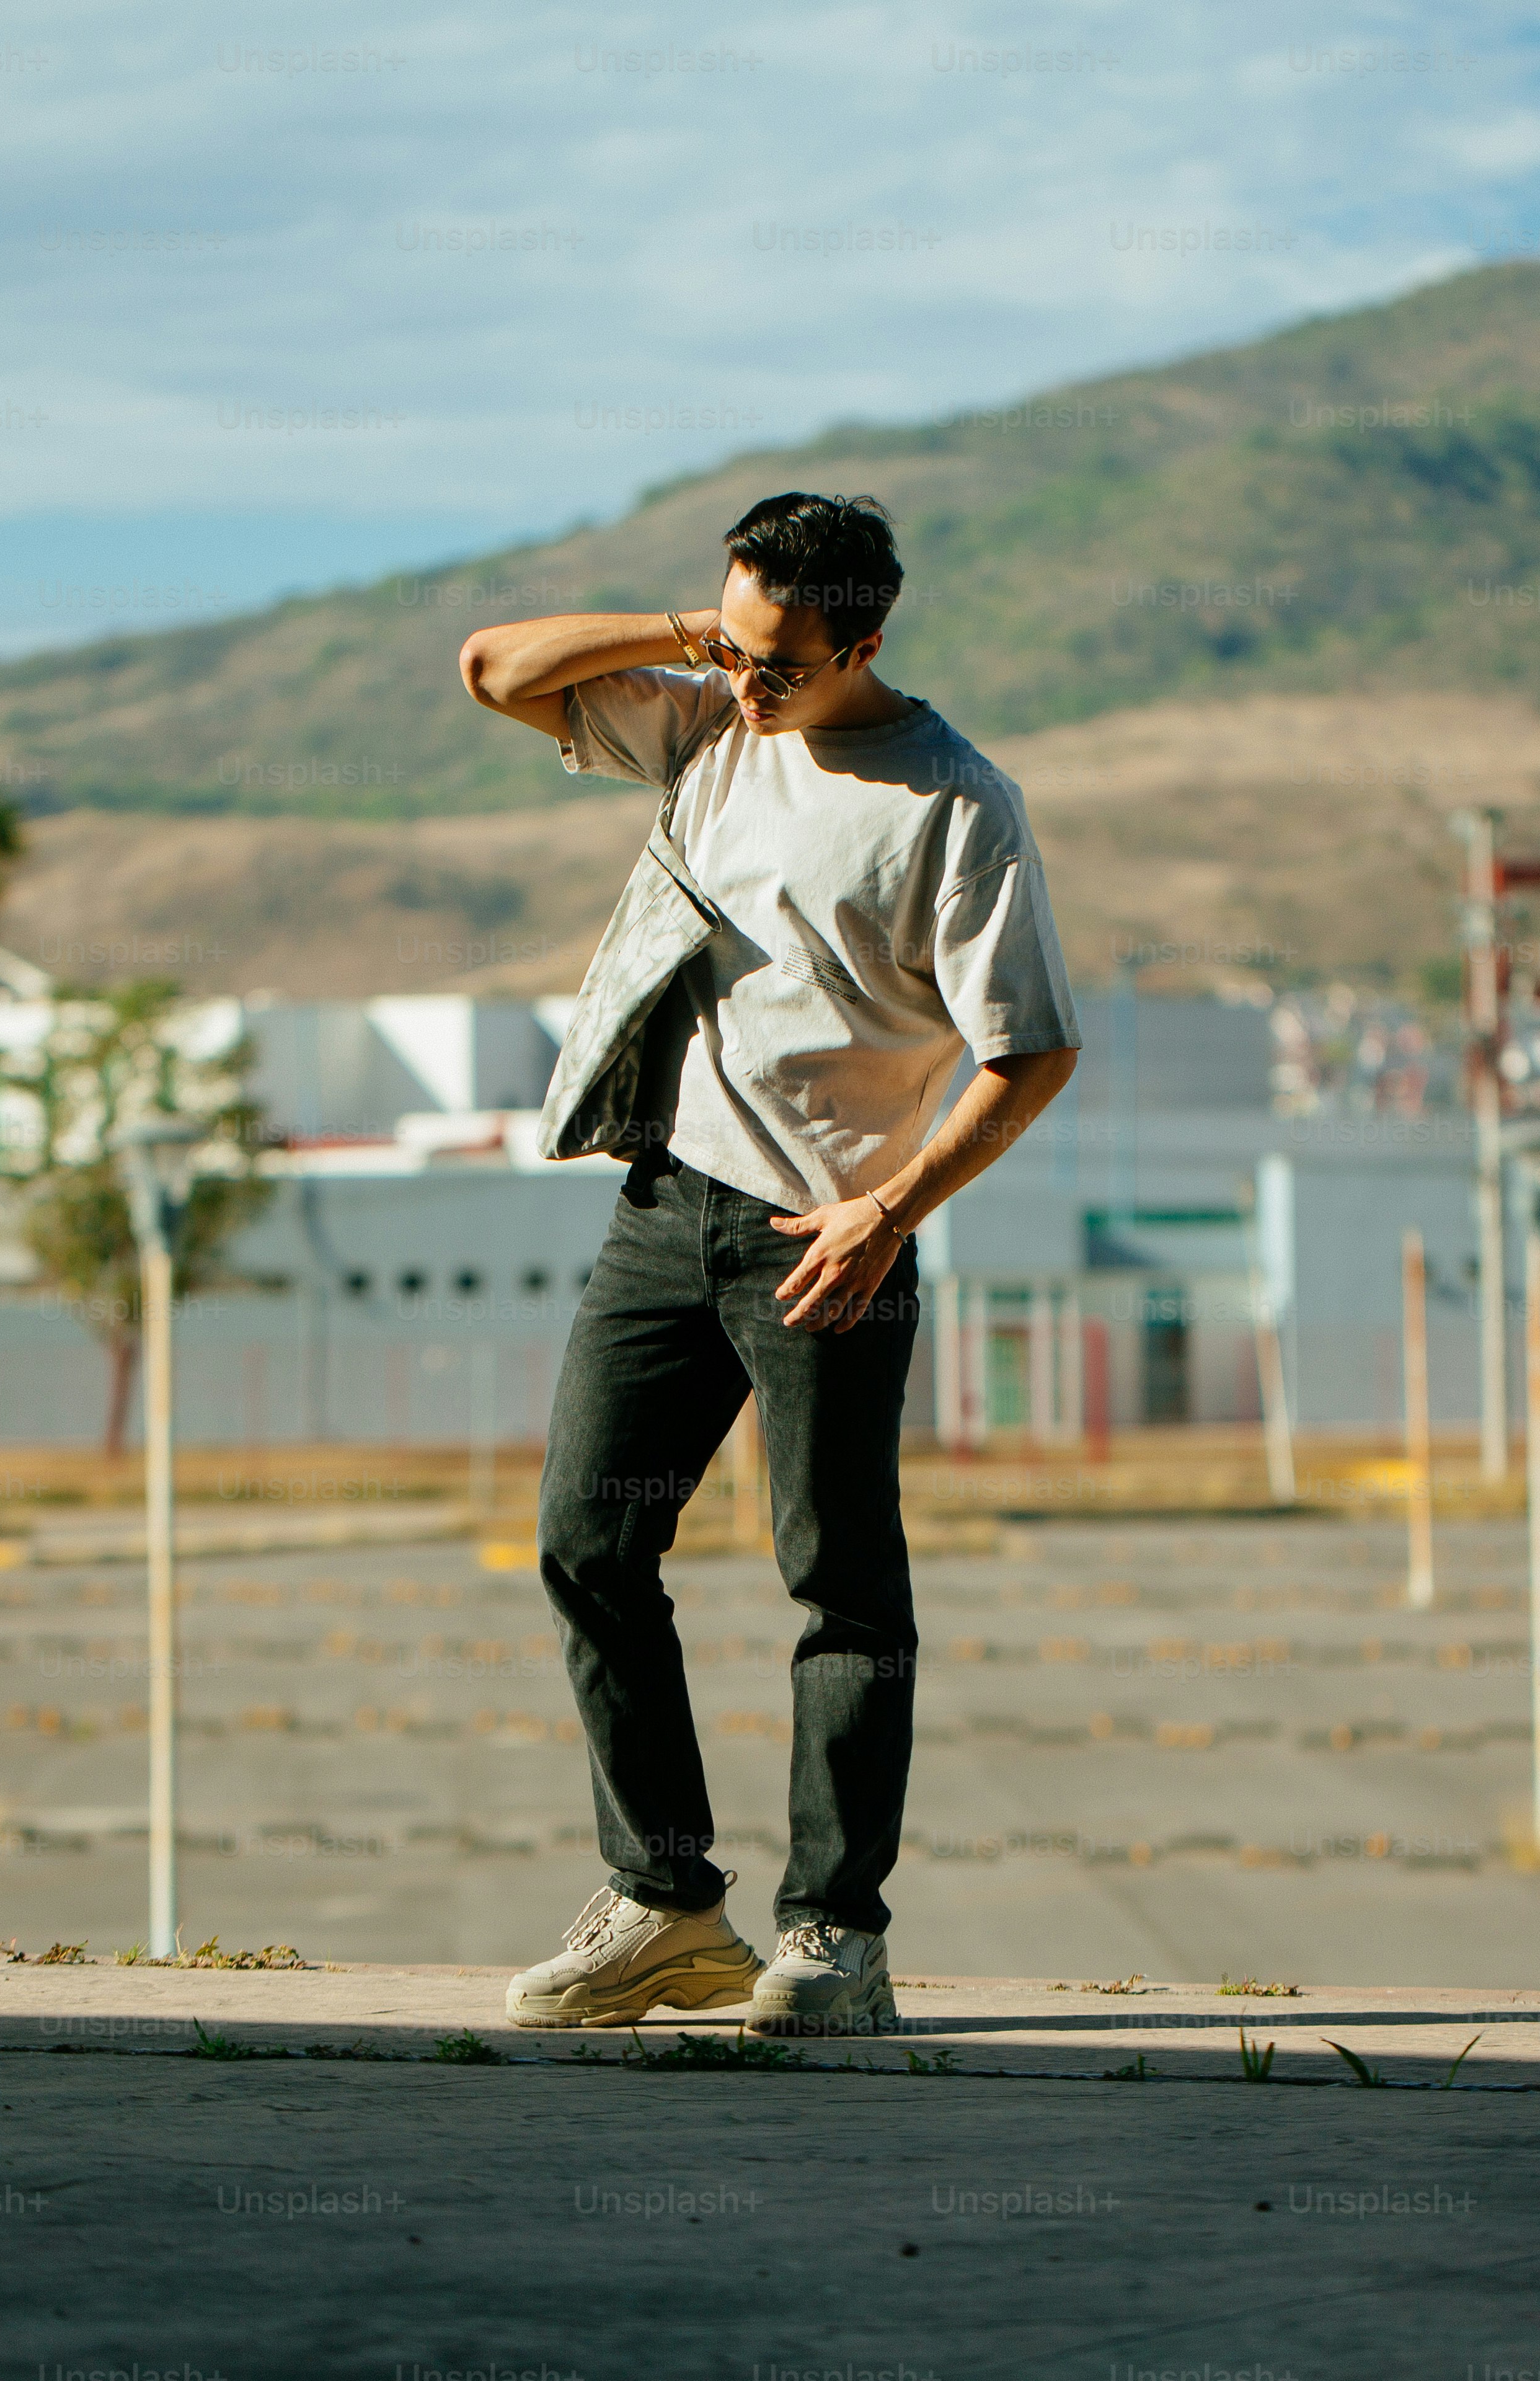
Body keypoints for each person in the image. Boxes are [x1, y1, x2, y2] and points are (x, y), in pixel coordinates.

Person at [456, 492, 1080, 2034]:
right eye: (733, 648)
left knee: (842, 1593)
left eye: (782, 663)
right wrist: (703, 639)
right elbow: (493, 667)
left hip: (834, 1243)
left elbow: (1031, 1055)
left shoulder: (955, 803)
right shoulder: (711, 731)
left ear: (865, 643)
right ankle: (667, 1907)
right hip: (667, 1214)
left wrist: (893, 1211)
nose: (750, 685)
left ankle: (834, 1942)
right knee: (587, 1548)